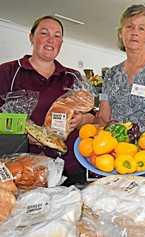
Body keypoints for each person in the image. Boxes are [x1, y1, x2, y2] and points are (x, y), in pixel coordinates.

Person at [0, 16, 95, 185]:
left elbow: (93, 117)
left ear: (61, 42)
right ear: (31, 37)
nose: (51, 39)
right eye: (44, 33)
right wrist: (24, 134)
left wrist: (81, 120)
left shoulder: (73, 77)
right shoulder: (8, 72)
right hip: (23, 169)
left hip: (70, 167)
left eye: (57, 35)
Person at [97, 4, 145, 138]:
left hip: (144, 153)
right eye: (129, 27)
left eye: (141, 28)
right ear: (121, 33)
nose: (134, 32)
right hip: (112, 151)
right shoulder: (111, 74)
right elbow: (103, 118)